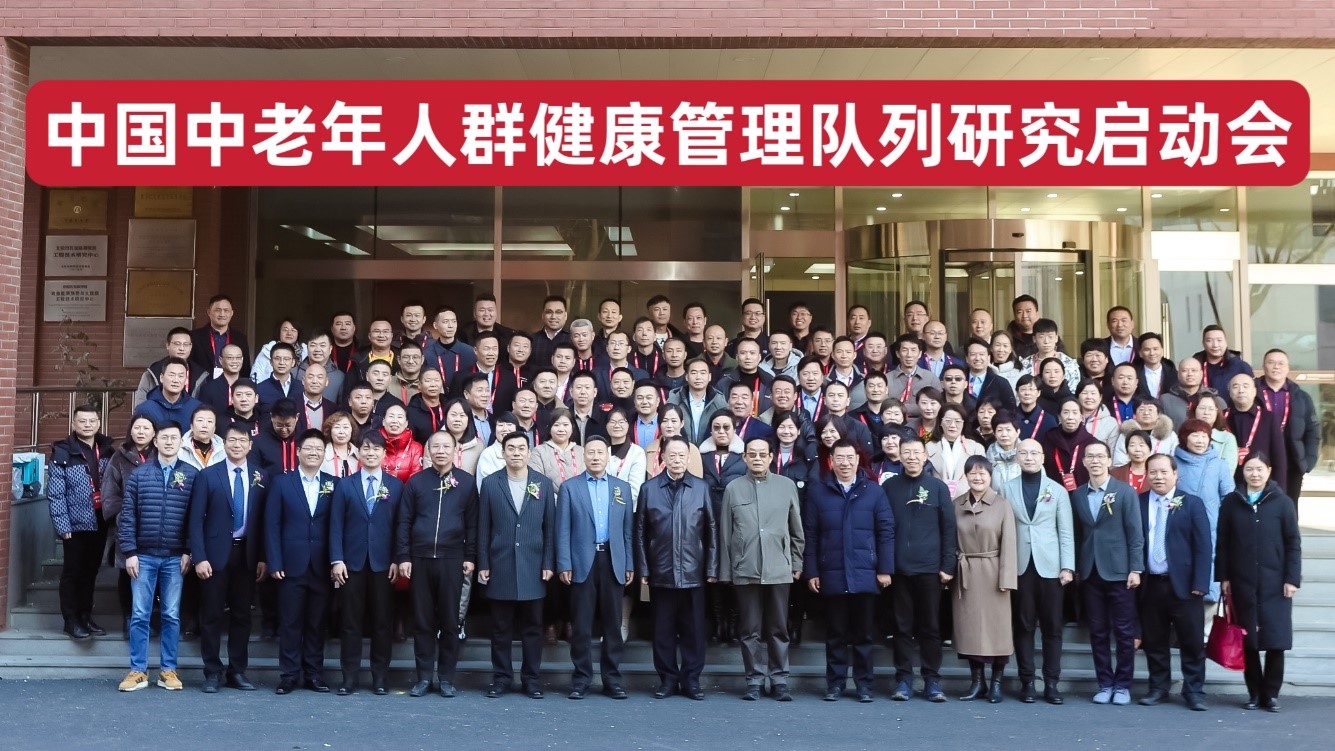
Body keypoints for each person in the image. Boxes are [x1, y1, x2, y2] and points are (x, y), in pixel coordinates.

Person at [803, 439, 895, 703]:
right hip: (832, 571)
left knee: (864, 634)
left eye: (850, 458)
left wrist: (885, 569)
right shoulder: (818, 492)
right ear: (831, 461)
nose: (845, 463)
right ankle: (835, 684)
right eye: (840, 458)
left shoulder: (874, 492)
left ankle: (864, 685)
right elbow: (811, 534)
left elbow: (886, 531)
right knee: (835, 634)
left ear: (858, 460)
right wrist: (812, 571)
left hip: (866, 572)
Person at [718, 436, 804, 701]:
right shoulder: (733, 488)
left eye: (762, 454)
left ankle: (779, 680)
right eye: (752, 454)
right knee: (749, 630)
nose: (757, 458)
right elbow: (725, 534)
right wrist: (726, 571)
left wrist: (796, 562)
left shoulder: (786, 486)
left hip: (779, 568)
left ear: (771, 457)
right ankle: (753, 680)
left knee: (779, 628)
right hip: (746, 568)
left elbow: (796, 530)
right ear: (744, 457)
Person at [1217, 453, 1302, 713]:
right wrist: (1224, 577)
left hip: (1275, 583)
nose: (1254, 474)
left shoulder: (1283, 503)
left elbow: (1293, 543)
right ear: (1242, 472)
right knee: (1249, 641)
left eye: (1260, 469)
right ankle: (1254, 693)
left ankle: (1271, 694)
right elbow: (1223, 543)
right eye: (1249, 469)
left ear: (1269, 470)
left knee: (1276, 640)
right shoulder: (1232, 502)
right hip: (1242, 582)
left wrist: (1292, 578)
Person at [634, 435, 718, 701]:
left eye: (682, 455)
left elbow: (711, 530)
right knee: (663, 631)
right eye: (672, 455)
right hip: (661, 571)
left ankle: (691, 680)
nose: (677, 459)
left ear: (689, 458)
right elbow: (640, 532)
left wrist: (712, 567)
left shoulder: (701, 488)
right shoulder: (649, 489)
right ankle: (668, 679)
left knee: (694, 631)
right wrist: (644, 569)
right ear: (663, 457)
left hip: (694, 572)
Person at [117, 421, 197, 692]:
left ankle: (168, 670)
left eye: (174, 438)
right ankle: (137, 670)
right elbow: (127, 516)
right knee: (140, 614)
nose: (169, 442)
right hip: (144, 556)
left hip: (176, 558)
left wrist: (188, 550)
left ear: (181, 442)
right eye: (164, 437)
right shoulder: (140, 474)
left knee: (171, 614)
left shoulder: (191, 475)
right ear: (156, 441)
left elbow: (195, 518)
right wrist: (129, 552)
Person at [188, 423, 268, 693]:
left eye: (242, 441)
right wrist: (199, 557)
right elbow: (195, 520)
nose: (237, 445)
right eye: (232, 440)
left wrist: (263, 557)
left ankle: (237, 671)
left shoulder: (261, 476)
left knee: (242, 615)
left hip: (247, 554)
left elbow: (265, 521)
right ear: (224, 444)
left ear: (250, 445)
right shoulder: (208, 475)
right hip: (214, 556)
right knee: (211, 615)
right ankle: (212, 671)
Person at [397, 430, 478, 698]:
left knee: (450, 622)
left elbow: (472, 523)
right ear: (428, 451)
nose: (441, 451)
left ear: (455, 450)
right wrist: (404, 556)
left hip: (452, 560)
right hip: (420, 559)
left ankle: (446, 678)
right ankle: (423, 677)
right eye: (436, 447)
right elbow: (404, 522)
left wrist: (470, 556)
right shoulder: (416, 482)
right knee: (422, 621)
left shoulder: (466, 483)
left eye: (446, 446)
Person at [556, 435, 635, 700]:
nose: (595, 457)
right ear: (584, 456)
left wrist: (629, 562)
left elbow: (627, 531)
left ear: (608, 455)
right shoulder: (570, 487)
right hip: (581, 561)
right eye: (590, 452)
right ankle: (581, 679)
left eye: (600, 452)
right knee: (581, 625)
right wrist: (564, 563)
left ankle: (612, 680)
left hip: (613, 560)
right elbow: (562, 529)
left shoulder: (622, 488)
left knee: (613, 625)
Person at [478, 432, 556, 699]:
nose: (516, 453)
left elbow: (550, 527)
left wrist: (548, 561)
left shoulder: (543, 483)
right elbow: (483, 527)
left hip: (534, 565)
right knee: (500, 629)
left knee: (533, 628)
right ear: (503, 453)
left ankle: (531, 679)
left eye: (521, 448)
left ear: (529, 453)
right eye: (510, 448)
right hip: (500, 563)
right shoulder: (491, 483)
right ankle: (501, 678)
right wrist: (483, 561)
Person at [882, 436, 957, 703]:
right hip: (899, 570)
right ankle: (903, 679)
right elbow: (883, 528)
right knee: (901, 627)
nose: (912, 457)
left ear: (925, 456)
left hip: (930, 570)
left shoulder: (937, 487)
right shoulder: (889, 487)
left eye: (917, 452)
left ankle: (932, 680)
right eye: (907, 452)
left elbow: (948, 528)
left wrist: (948, 565)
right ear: (900, 456)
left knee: (930, 627)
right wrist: (885, 566)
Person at [999, 438, 1074, 705]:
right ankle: (1027, 681)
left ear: (1042, 457)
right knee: (1024, 625)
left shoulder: (1057, 490)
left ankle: (1052, 682)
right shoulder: (1006, 488)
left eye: (1034, 453)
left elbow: (1065, 531)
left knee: (1053, 627)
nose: (1029, 457)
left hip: (1051, 567)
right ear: (1017, 457)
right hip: (1019, 566)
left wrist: (1067, 566)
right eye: (1024, 453)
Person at [329, 431, 404, 696]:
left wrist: (397, 558)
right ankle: (349, 677)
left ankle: (380, 677)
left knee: (382, 623)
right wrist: (337, 559)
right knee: (350, 623)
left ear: (384, 454)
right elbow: (335, 525)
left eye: (376, 449)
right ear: (358, 453)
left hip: (384, 565)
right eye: (366, 448)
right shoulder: (345, 485)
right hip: (352, 563)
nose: (371, 453)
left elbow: (400, 526)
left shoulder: (396, 486)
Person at [1137, 454, 1213, 711]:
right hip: (1150, 584)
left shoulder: (1191, 503)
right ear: (1147, 475)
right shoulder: (1139, 502)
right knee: (1155, 641)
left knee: (1192, 641)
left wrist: (1201, 583)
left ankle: (1194, 691)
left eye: (1163, 472)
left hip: (1186, 586)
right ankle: (1158, 688)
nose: (1158, 477)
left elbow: (1203, 546)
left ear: (1175, 474)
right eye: (1153, 472)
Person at [1070, 441, 1143, 706]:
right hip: (1090, 572)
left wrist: (1135, 568)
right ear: (1084, 462)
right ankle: (1105, 683)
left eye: (1101, 456)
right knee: (1098, 631)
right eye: (1090, 457)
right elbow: (1078, 534)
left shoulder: (1124, 492)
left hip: (1120, 572)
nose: (1096, 461)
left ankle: (1122, 685)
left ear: (1109, 460)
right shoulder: (1077, 495)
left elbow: (1135, 533)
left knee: (1123, 632)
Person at [264, 429, 335, 695]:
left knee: (316, 623)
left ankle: (314, 674)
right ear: (298, 452)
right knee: (290, 622)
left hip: (322, 565)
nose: (314, 453)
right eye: (309, 448)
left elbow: (337, 526)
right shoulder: (282, 483)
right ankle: (289, 675)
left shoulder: (334, 484)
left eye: (319, 449)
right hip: (290, 565)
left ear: (324, 454)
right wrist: (274, 561)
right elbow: (272, 525)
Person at [952, 455, 1018, 704]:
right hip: (966, 574)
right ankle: (977, 681)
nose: (977, 477)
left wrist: (1007, 579)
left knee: (997, 631)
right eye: (973, 473)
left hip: (993, 574)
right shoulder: (956, 504)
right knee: (969, 630)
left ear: (990, 477)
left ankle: (997, 682)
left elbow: (1009, 543)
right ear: (966, 476)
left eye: (982, 473)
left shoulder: (1002, 505)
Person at [49, 404, 115, 640]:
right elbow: (56, 494)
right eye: (82, 421)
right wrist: (62, 525)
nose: (87, 425)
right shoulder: (62, 452)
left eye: (92, 421)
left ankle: (85, 616)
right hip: (75, 523)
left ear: (98, 423)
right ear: (73, 424)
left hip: (100, 519)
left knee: (90, 571)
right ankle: (71, 620)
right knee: (73, 572)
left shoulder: (107, 450)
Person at [101, 415, 157, 639]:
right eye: (137, 428)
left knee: (153, 573)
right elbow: (109, 493)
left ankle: (149, 619)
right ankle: (129, 618)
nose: (141, 432)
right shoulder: (119, 457)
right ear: (130, 431)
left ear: (154, 432)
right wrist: (122, 516)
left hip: (156, 525)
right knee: (127, 573)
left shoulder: (160, 454)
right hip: (127, 525)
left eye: (146, 428)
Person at [1174, 418, 1236, 603]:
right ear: (1184, 438)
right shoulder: (1172, 463)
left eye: (1204, 436)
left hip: (1211, 526)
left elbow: (1228, 499)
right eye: (1195, 435)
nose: (1200, 440)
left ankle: (1209, 604)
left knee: (1209, 562)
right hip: (1178, 525)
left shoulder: (1219, 464)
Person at [1257, 348, 1320, 510]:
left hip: (1292, 461)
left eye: (1281, 363)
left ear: (1288, 368)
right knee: (1259, 507)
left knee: (1289, 507)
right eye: (1271, 363)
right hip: (1259, 459)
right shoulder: (1252, 393)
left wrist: (1308, 461)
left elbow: (1312, 432)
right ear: (1263, 366)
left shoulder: (1301, 397)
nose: (1276, 367)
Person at [1225, 373, 1288, 490]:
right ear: (1229, 392)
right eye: (1235, 386)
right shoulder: (1222, 417)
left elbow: (1278, 457)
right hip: (1228, 484)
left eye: (1245, 386)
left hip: (1260, 483)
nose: (1241, 390)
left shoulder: (1269, 418)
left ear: (1254, 391)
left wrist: (1279, 491)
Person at [134, 326, 206, 407]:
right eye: (177, 344)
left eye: (186, 344)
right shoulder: (151, 374)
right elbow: (140, 406)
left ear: (191, 347)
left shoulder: (201, 375)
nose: (181, 348)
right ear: (167, 345)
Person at [927, 403, 985, 498]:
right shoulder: (928, 448)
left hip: (968, 501)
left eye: (957, 421)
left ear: (963, 423)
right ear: (940, 422)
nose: (952, 425)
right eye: (948, 421)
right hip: (936, 499)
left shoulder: (976, 448)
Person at [134, 357, 204, 433]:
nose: (176, 380)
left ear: (185, 380)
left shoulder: (196, 409)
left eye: (180, 376)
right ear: (161, 378)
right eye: (171, 375)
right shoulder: (145, 409)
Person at [190, 294, 252, 376]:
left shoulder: (241, 338)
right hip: (203, 383)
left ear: (232, 313)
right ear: (208, 312)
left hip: (232, 383)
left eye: (226, 310)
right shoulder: (194, 336)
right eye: (217, 310)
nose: (222, 314)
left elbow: (245, 369)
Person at [1112, 399, 1178, 467]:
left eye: (1150, 409)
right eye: (1141, 409)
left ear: (1158, 414)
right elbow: (1119, 462)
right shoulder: (1126, 434)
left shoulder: (1170, 435)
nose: (1146, 413)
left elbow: (1175, 461)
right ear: (1135, 414)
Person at [1020, 319, 1081, 393]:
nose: (1046, 341)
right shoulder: (1025, 364)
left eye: (1050, 337)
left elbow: (1074, 391)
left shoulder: (1069, 364)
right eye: (1041, 337)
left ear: (1056, 338)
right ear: (1034, 339)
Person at [644, 404, 704, 478]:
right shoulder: (651, 448)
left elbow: (696, 481)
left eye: (674, 421)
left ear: (682, 423)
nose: (669, 425)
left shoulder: (692, 450)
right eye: (664, 421)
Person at [887, 334, 939, 417]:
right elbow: (883, 405)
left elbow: (938, 406)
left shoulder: (931, 378)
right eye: (905, 350)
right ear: (897, 353)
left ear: (920, 353)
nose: (909, 355)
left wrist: (903, 408)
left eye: (913, 350)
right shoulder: (887, 379)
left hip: (922, 423)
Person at [1194, 325, 1252, 395]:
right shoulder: (1195, 366)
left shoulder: (1241, 366)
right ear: (1203, 343)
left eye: (1219, 340)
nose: (1215, 345)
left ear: (1226, 342)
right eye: (1209, 340)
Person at [963, 336, 1016, 409]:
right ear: (966, 358)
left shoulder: (1001, 383)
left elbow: (1011, 410)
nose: (977, 358)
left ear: (988, 358)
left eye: (982, 354)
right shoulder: (958, 380)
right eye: (973, 354)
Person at [1191, 393, 1239, 470]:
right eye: (1202, 408)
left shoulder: (1228, 438)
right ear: (1194, 410)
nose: (1206, 412)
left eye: (1211, 409)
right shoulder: (1185, 435)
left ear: (1217, 412)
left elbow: (1228, 471)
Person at [252, 318, 306, 384]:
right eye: (285, 330)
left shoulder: (306, 353)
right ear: (279, 332)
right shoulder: (267, 351)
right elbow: (257, 376)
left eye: (293, 330)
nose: (289, 333)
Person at [195, 343, 245, 415]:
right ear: (220, 360)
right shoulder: (208, 389)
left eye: (238, 357)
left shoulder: (249, 386)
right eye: (230, 358)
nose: (235, 361)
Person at [1161, 355, 1207, 428]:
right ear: (1178, 374)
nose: (1190, 374)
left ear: (1201, 374)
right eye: (1185, 370)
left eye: (1194, 370)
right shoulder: (1165, 400)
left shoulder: (1213, 399)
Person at [531, 295, 572, 370]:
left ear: (565, 316)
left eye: (558, 312)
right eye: (549, 312)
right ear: (543, 315)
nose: (553, 317)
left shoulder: (572, 340)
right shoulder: (532, 340)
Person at [178, 404, 224, 471]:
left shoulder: (223, 450)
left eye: (209, 421)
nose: (204, 425)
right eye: (200, 420)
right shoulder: (180, 449)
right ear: (191, 426)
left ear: (214, 428)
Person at [986, 412, 1023, 490]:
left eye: (1008, 430)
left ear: (1017, 432)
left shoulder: (1028, 454)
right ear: (994, 433)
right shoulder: (988, 457)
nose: (1004, 434)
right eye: (1000, 430)